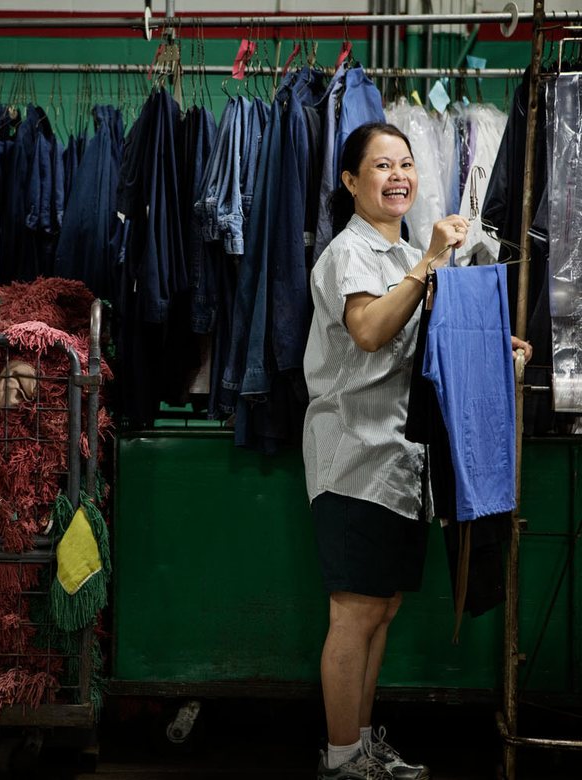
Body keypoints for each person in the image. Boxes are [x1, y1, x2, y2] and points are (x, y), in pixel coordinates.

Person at [302, 122, 531, 780]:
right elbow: (371, 331)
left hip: (399, 462)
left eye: (405, 163)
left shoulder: (403, 256)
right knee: (354, 611)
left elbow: (426, 346)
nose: (398, 175)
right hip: (352, 460)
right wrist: (429, 262)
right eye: (381, 166)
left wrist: (494, 347)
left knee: (382, 607)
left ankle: (360, 746)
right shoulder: (349, 253)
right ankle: (341, 757)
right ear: (351, 181)